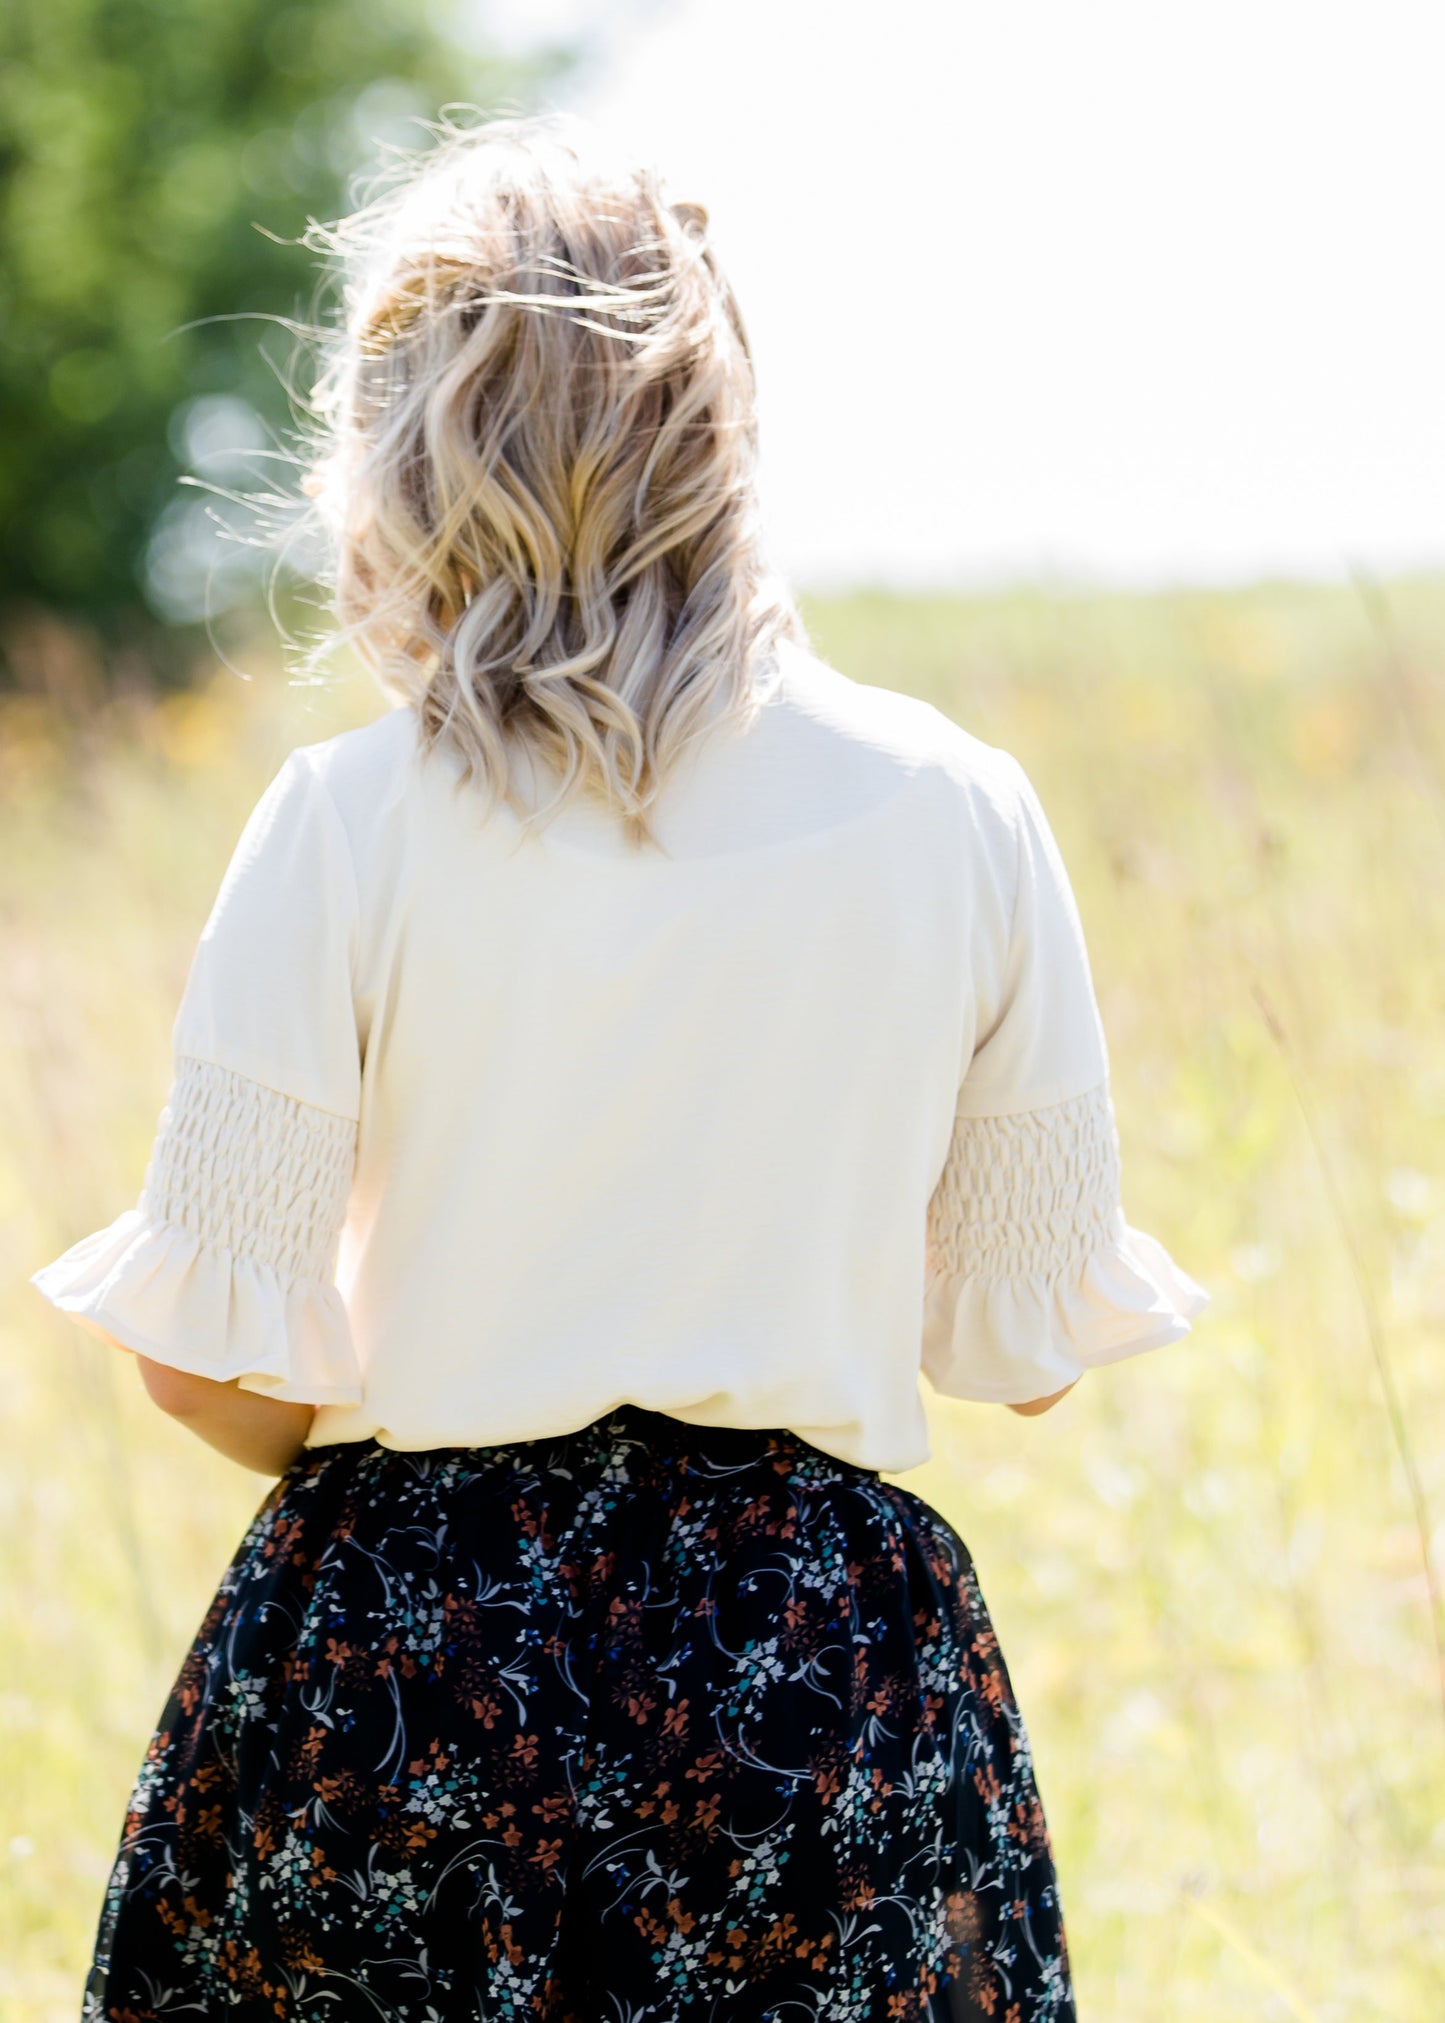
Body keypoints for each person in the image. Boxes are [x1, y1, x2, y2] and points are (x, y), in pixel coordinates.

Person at [31, 107, 1210, 2023]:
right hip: (818, 1663)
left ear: (406, 452)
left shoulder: (345, 820)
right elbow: (1021, 1358)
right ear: (718, 437)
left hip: (409, 1664)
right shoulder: (958, 809)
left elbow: (199, 1367)